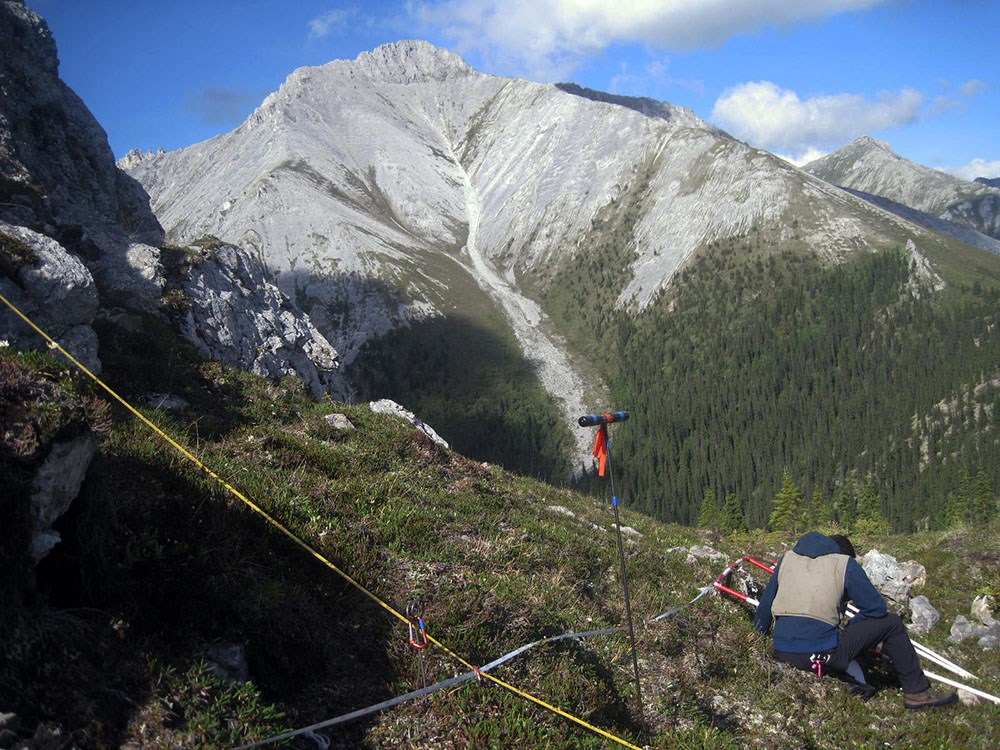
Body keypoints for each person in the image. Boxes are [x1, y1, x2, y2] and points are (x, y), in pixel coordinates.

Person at [753, 531, 958, 710]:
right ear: (843, 553)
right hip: (820, 656)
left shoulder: (788, 558)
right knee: (893, 623)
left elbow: (764, 608)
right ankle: (918, 692)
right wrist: (853, 625)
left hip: (782, 652)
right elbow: (876, 609)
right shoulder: (845, 563)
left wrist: (756, 646)